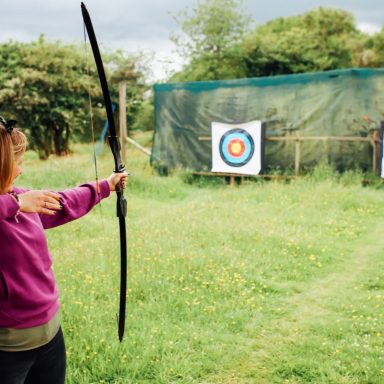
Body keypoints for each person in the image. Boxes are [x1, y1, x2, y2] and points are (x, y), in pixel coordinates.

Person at [0, 117, 128, 384]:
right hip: (8, 348)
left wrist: (106, 185)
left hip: (50, 337)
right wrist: (15, 204)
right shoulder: (16, 203)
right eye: (17, 164)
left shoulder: (24, 200)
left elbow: (65, 202)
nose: (21, 171)